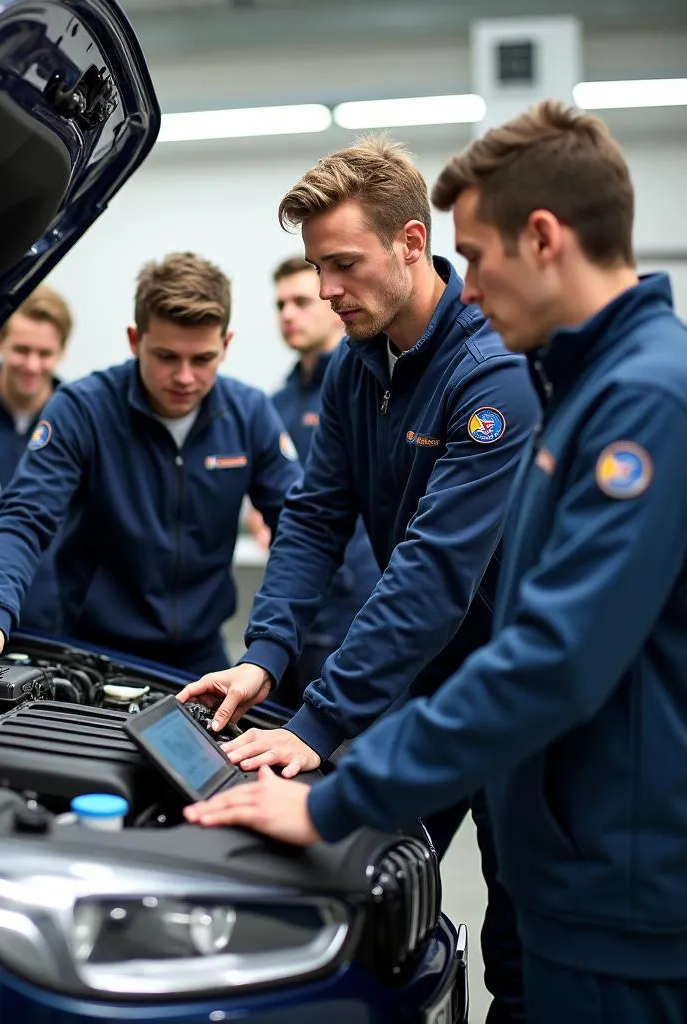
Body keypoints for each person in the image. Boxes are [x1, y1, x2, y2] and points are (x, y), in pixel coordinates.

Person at [183, 101, 687, 1023]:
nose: (474, 288)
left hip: (611, 841)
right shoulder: (551, 378)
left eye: (479, 258)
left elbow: (479, 603)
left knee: (527, 966)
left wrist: (331, 769)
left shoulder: (606, 395)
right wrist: (268, 655)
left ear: (540, 240)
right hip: (496, 735)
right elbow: (315, 517)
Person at [177, 138, 540, 1022]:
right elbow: (313, 517)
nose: (327, 290)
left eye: (343, 265)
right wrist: (265, 657)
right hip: (426, 687)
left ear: (413, 244)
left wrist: (324, 721)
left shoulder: (491, 373)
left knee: (522, 946)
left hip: (520, 697)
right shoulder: (355, 366)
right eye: (316, 267)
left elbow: (433, 571)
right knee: (367, 898)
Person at [0, 252, 303, 676]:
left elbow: (299, 533)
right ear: (135, 340)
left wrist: (268, 647)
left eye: (202, 359)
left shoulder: (250, 413)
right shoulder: (83, 410)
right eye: (167, 357)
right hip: (93, 649)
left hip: (201, 654)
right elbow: (23, 518)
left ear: (225, 345)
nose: (185, 377)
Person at [249, 257, 381, 705]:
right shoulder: (276, 403)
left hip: (351, 602)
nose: (288, 314)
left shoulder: (365, 386)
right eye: (281, 303)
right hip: (296, 601)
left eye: (302, 301)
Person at [0, 286, 71, 633]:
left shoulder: (77, 424)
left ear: (62, 351)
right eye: (22, 350)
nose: (32, 365)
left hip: (61, 623)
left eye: (45, 353)